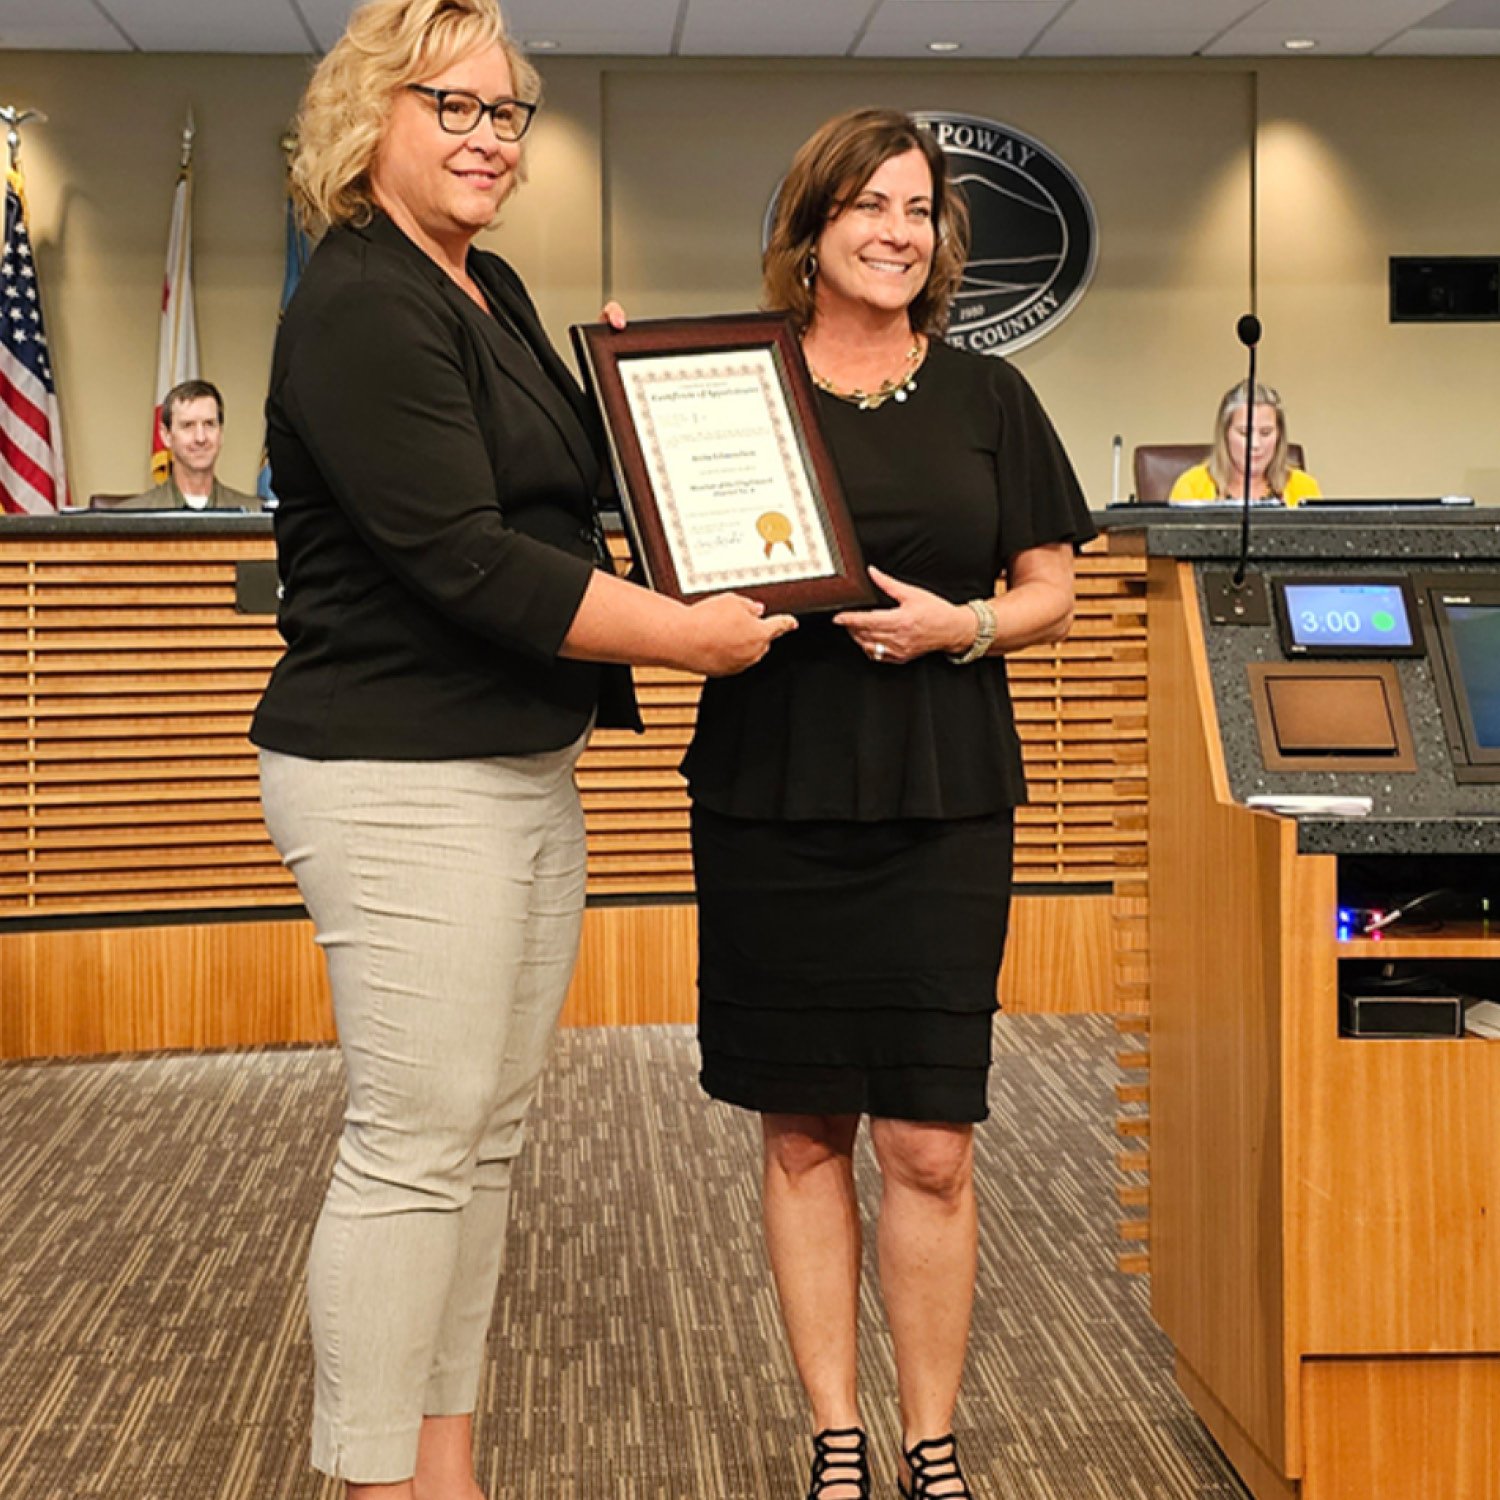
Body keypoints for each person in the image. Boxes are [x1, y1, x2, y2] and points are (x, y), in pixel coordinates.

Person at [249, 3, 793, 1497]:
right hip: (400, 772)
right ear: (374, 117)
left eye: (510, 113)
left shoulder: (479, 284)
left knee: (478, 1147)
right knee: (413, 1147)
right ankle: (374, 1483)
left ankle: (443, 1468)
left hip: (513, 762)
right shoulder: (362, 300)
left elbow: (574, 487)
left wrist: (645, 390)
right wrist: (692, 639)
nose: (492, 136)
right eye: (458, 106)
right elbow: (471, 560)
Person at [680, 108, 1096, 1500]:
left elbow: (1055, 586)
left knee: (929, 1139)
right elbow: (672, 553)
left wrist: (964, 627)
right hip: (771, 786)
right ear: (810, 229)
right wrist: (632, 411)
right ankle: (837, 1438)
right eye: (867, 206)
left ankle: (934, 1441)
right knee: (801, 1126)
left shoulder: (989, 400)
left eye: (918, 210)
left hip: (942, 797)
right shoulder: (731, 387)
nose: (896, 232)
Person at [1168, 379, 1321, 505]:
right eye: (1244, 433)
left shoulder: (1303, 487)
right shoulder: (1192, 486)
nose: (1255, 444)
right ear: (1225, 434)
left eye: (1266, 433)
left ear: (1279, 436)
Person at [115, 379, 260, 510]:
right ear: (166, 435)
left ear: (220, 432)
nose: (200, 438)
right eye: (188, 425)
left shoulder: (257, 514)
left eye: (209, 424)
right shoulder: (129, 517)